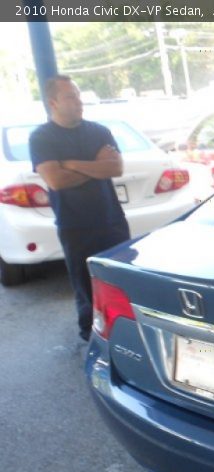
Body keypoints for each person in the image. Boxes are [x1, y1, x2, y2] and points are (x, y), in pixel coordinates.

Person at [29, 75, 130, 341]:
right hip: (74, 225)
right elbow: (56, 180)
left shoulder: (99, 131)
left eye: (78, 95)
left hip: (111, 220)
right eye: (70, 97)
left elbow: (115, 168)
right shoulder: (42, 138)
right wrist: (95, 166)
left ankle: (125, 330)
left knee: (120, 279)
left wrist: (72, 163)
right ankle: (91, 335)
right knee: (85, 285)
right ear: (53, 103)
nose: (79, 102)